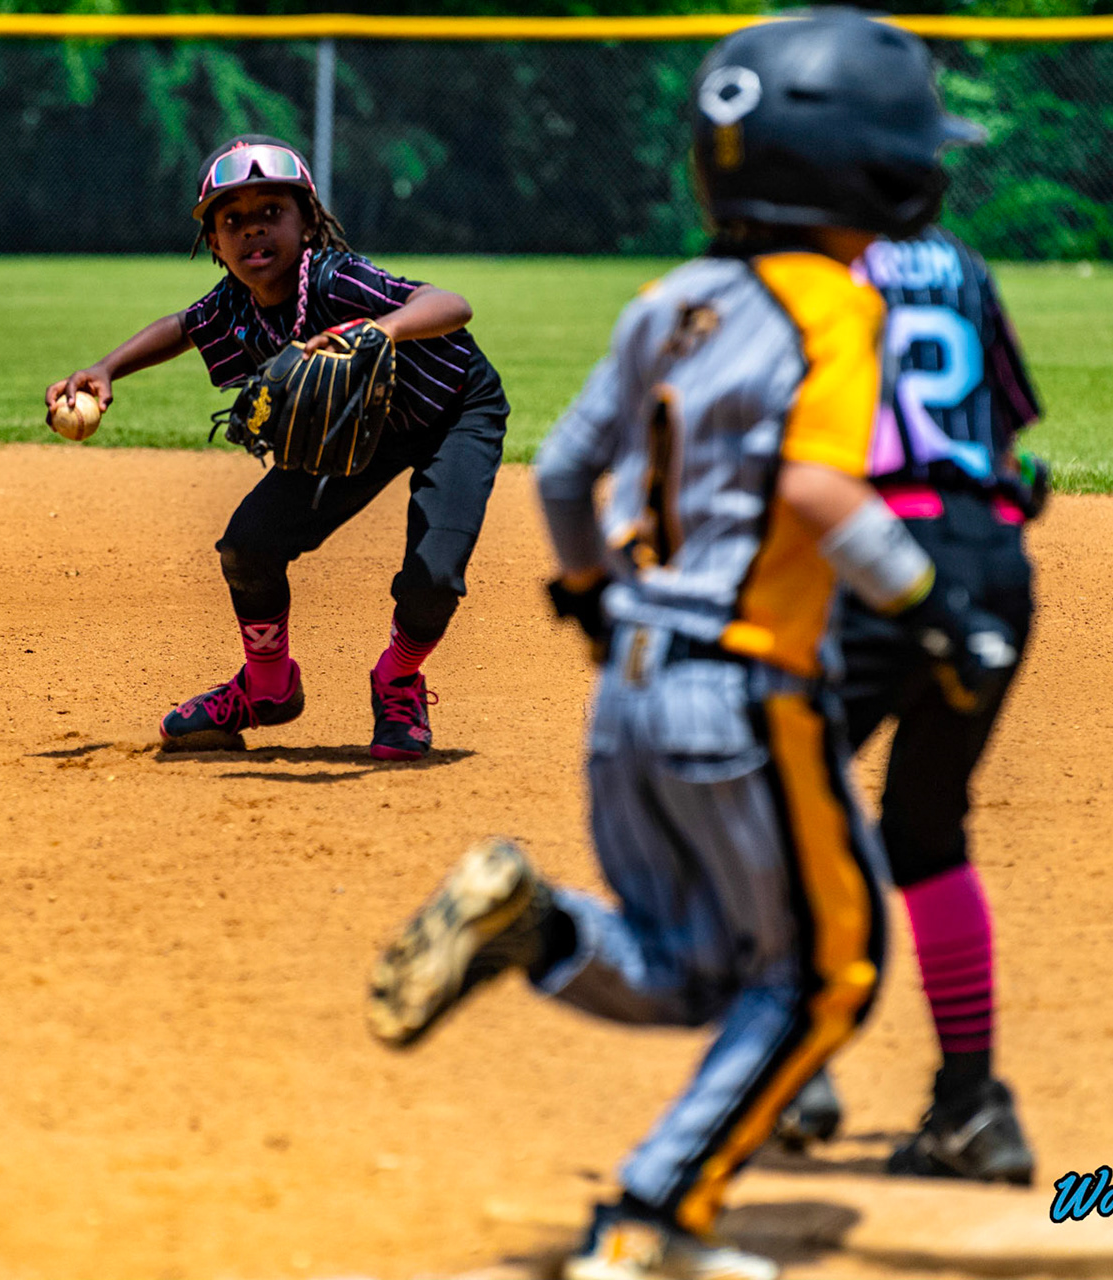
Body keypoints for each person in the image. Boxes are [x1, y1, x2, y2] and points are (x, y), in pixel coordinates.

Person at [364, 15, 1010, 1279]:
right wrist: (937, 609)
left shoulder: (673, 298)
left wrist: (596, 597)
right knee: (832, 972)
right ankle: (656, 1218)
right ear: (860, 169)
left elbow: (565, 473)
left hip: (631, 692)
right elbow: (827, 497)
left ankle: (535, 928)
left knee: (697, 967)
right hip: (747, 689)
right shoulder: (836, 303)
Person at [47, 134, 508, 761]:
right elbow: (181, 327)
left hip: (452, 410)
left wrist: (383, 329)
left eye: (272, 212)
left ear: (308, 222)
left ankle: (398, 678)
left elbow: (451, 304)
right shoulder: (236, 306)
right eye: (232, 220)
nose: (253, 230)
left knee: (434, 576)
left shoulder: (334, 280)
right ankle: (265, 688)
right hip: (359, 430)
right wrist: (104, 370)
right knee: (248, 545)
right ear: (213, 243)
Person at [774, 228, 1045, 1184]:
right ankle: (972, 1109)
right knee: (928, 832)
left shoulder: (813, 264)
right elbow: (1006, 433)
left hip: (876, 564)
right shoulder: (964, 262)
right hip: (996, 558)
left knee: (771, 798)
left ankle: (790, 1066)